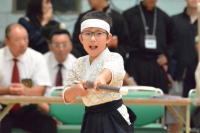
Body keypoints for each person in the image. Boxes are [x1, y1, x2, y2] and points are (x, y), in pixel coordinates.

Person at [63, 11, 136, 133]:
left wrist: (101, 79)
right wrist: (75, 90)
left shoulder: (114, 57)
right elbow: (67, 97)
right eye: (87, 34)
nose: (92, 39)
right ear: (80, 38)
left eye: (98, 33)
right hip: (90, 116)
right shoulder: (77, 63)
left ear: (108, 38)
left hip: (113, 117)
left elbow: (109, 70)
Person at [0, 24, 56, 133]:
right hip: (2, 107)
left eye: (25, 39)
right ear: (7, 42)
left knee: (48, 124)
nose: (22, 43)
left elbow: (41, 90)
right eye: (17, 40)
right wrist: (6, 90)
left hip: (26, 108)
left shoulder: (36, 57)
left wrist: (25, 91)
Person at [122, 0, 177, 94]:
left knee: (159, 101)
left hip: (156, 64)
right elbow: (122, 42)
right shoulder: (128, 15)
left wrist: (167, 57)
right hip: (135, 64)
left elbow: (174, 42)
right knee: (134, 101)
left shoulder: (164, 17)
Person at [37, 29, 77, 123]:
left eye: (64, 44)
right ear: (50, 46)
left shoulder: (78, 65)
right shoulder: (40, 62)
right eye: (57, 45)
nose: (61, 49)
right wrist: (51, 115)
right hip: (44, 110)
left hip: (71, 109)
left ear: (70, 45)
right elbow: (36, 95)